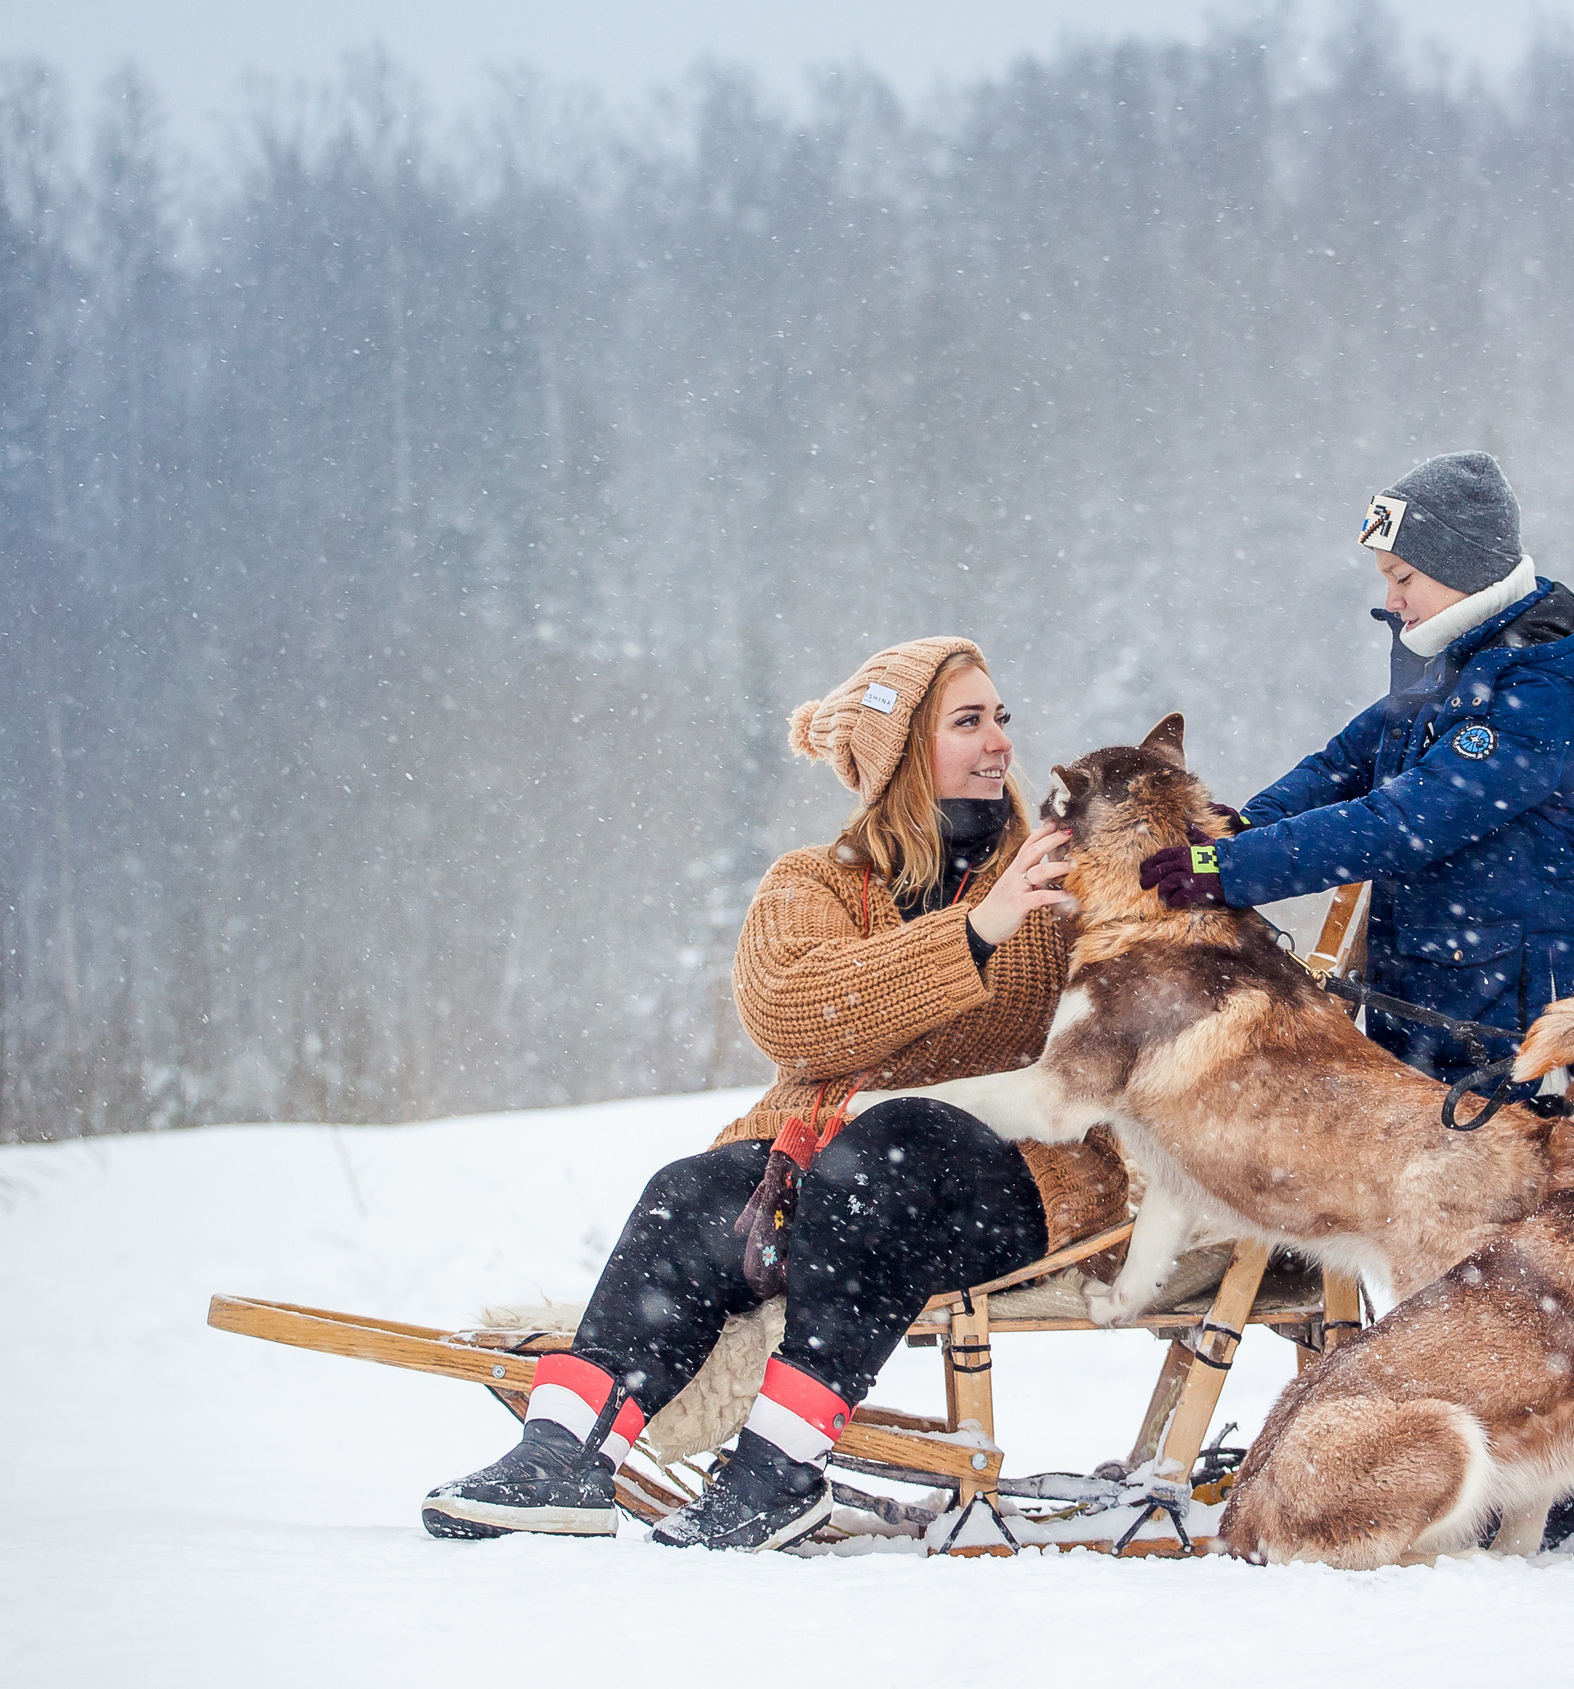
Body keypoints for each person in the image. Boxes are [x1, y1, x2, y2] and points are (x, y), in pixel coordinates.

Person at [421, 637, 1128, 1551]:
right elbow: (797, 1014)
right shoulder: (812, 882)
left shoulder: (1062, 875)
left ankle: (777, 1472)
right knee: (692, 1189)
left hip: (1016, 1187)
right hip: (830, 1174)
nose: (1000, 741)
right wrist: (974, 932)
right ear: (903, 754)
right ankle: (564, 1455)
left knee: (891, 1145)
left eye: (1001, 717)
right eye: (968, 721)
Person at [1143, 451, 1574, 1087]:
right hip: (1443, 1001)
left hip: (1524, 1029)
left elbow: (1402, 823)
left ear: (1461, 568)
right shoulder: (1456, 665)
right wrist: (1236, 826)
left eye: (1402, 576)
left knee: (1522, 1182)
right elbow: (1345, 763)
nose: (1391, 599)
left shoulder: (1539, 696)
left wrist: (1231, 870)